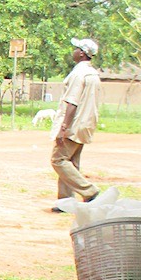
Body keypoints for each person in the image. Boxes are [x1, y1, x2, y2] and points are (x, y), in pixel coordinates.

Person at [50, 37, 103, 205]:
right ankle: (65, 202)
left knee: (58, 160)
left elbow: (72, 102)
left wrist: (63, 127)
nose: (73, 51)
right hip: (86, 124)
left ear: (81, 53)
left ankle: (90, 191)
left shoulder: (79, 74)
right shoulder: (93, 74)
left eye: (76, 49)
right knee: (71, 162)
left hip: (74, 124)